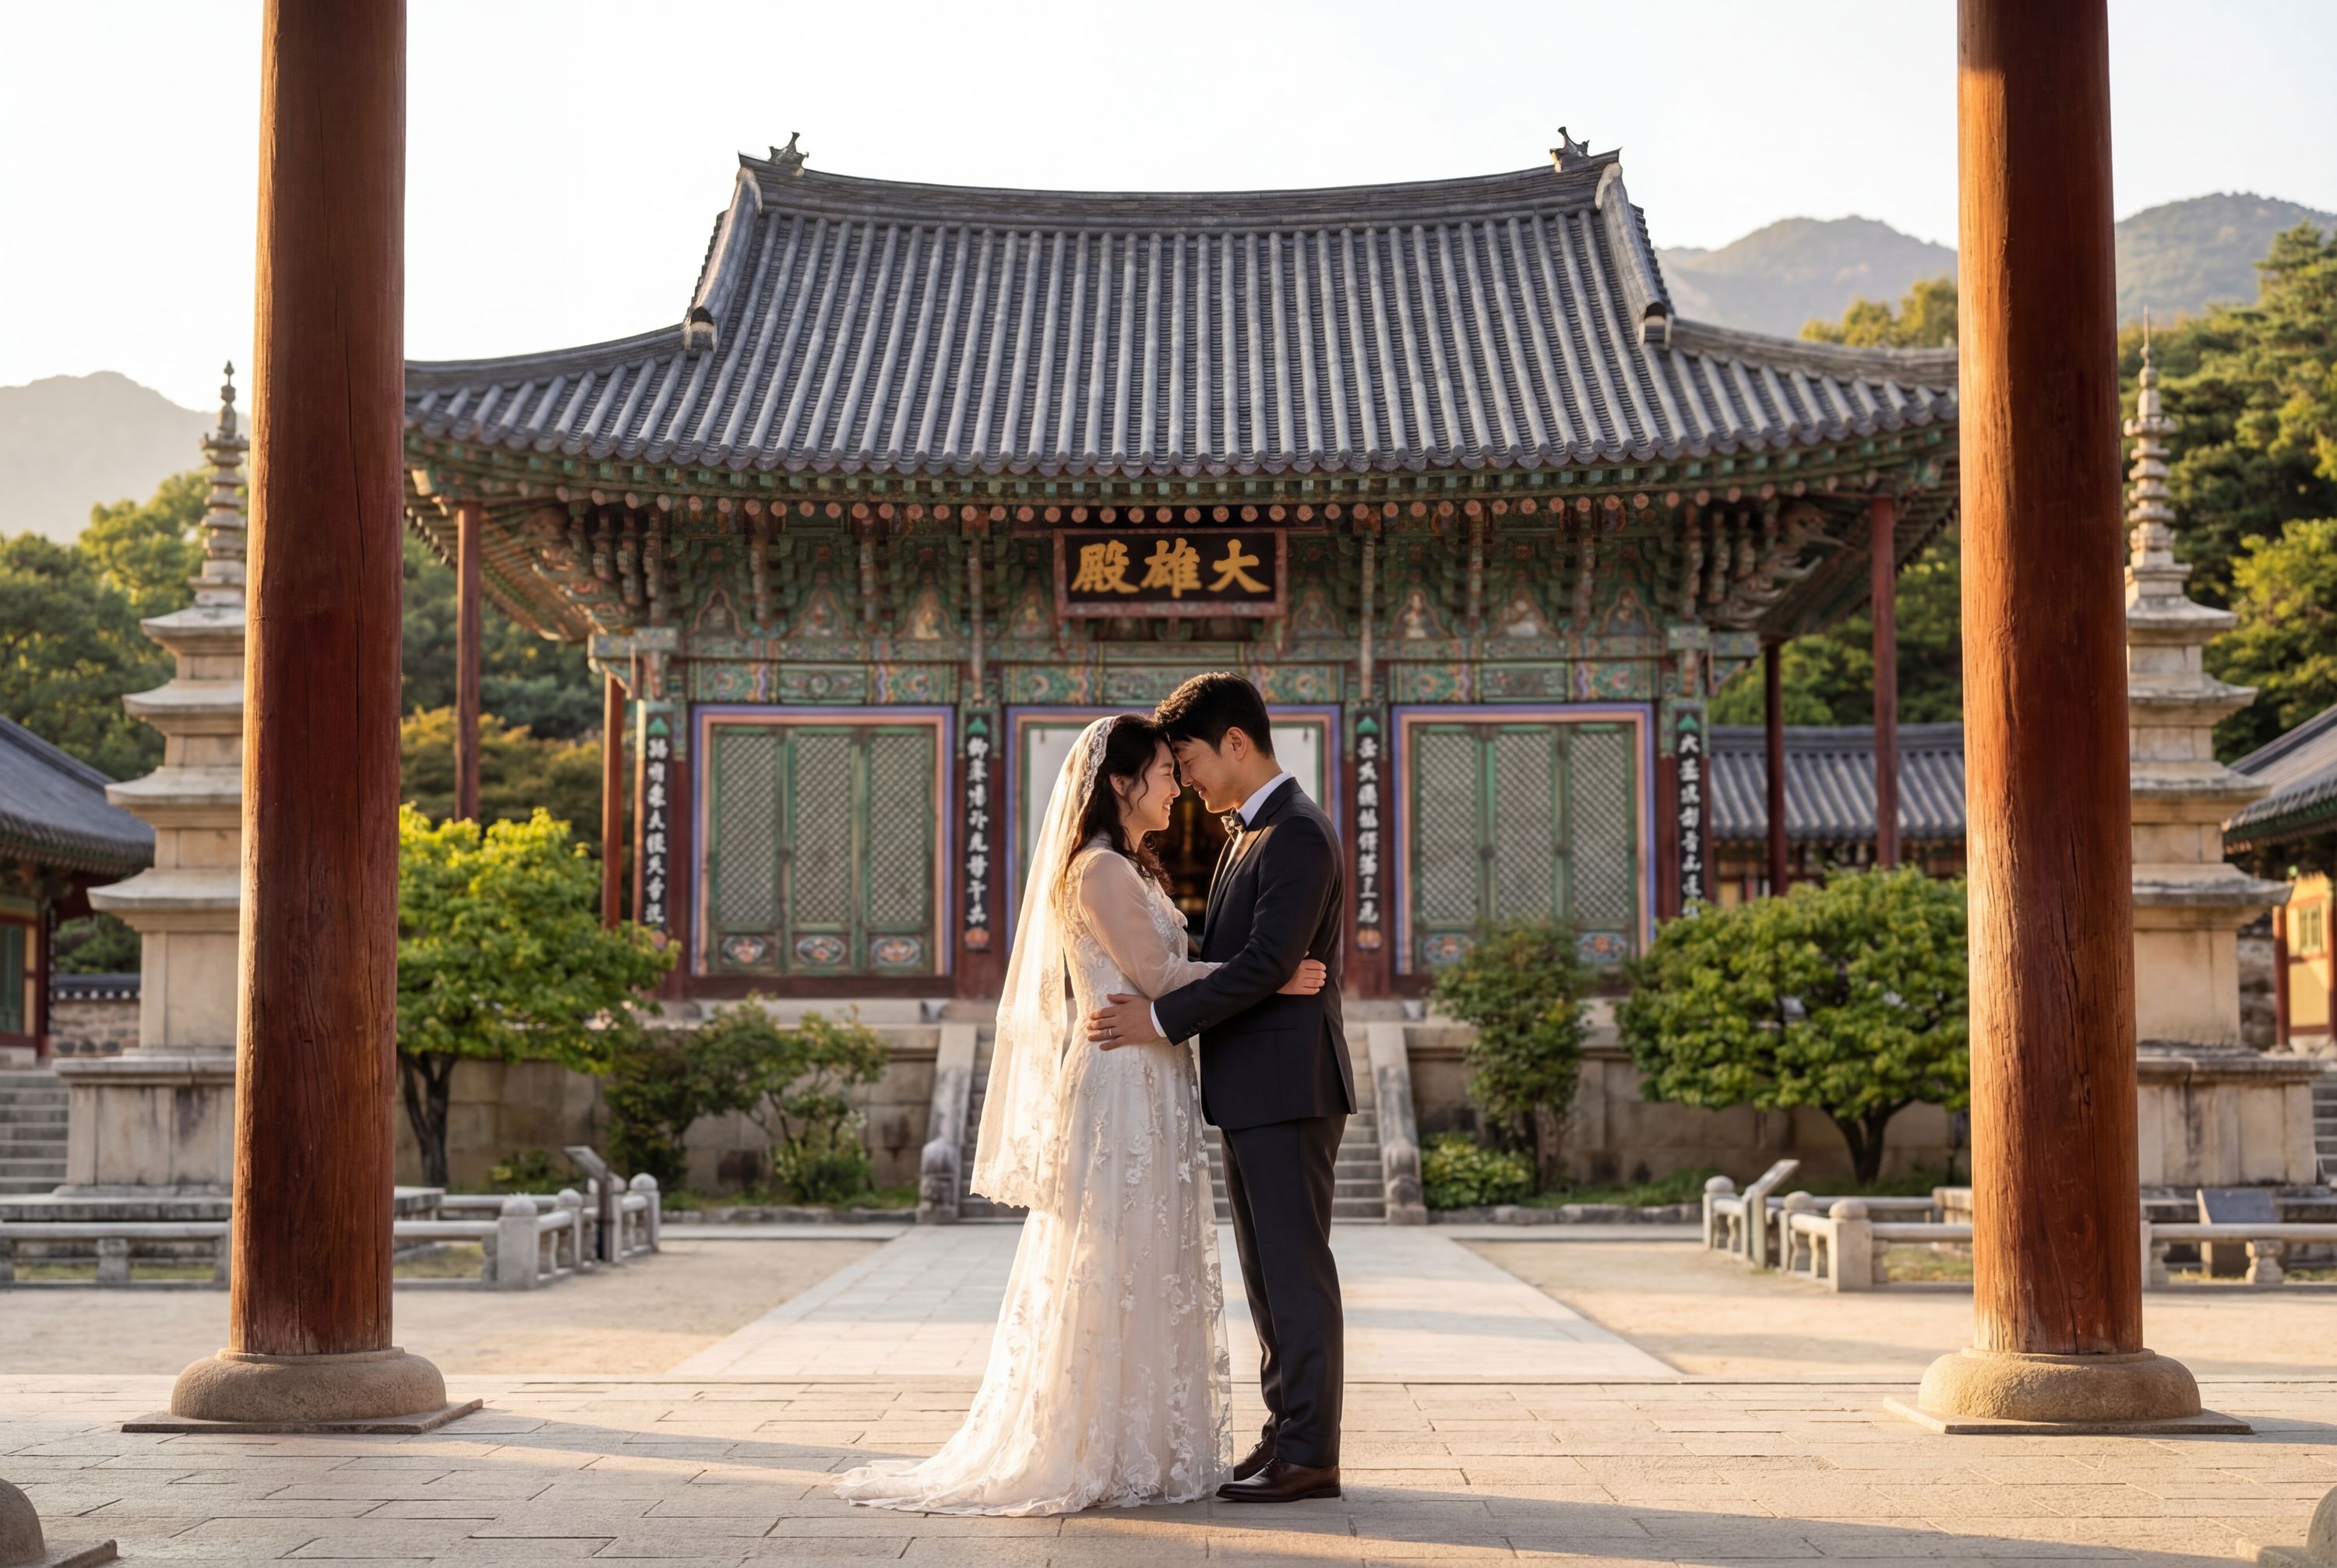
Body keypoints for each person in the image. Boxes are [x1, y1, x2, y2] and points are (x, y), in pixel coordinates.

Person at [834, 713, 1327, 1517]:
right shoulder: (1097, 870)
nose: (1179, 787)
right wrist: (1272, 976)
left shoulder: (1129, 868)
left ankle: (1144, 1441)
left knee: (1148, 1259)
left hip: (1151, 1071)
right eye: (1166, 773)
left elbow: (1165, 969)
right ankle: (1095, 1441)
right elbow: (1160, 974)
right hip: (1121, 1079)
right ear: (1122, 783)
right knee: (1116, 1256)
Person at [1086, 672, 1353, 1505]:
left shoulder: (1298, 833)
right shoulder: (1249, 834)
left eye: (1191, 758)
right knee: (1267, 1274)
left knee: (1295, 1269)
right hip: (1251, 1085)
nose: (1187, 778)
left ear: (1236, 741)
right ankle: (1284, 1432)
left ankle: (1311, 1451)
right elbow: (1240, 960)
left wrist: (1162, 1021)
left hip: (1289, 1085)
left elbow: (1271, 963)